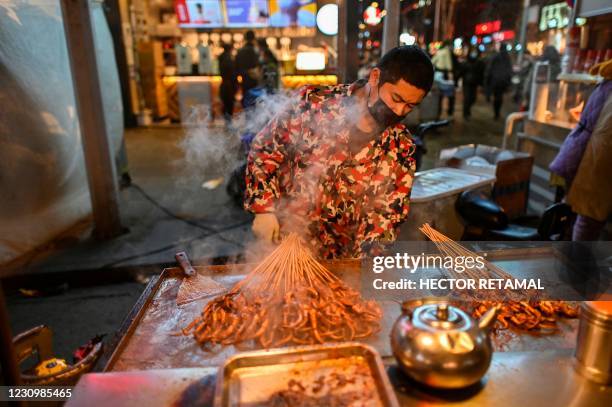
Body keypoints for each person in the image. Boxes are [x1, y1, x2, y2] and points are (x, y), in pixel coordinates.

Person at [244, 46, 434, 259]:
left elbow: (386, 215)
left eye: (410, 106)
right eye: (396, 99)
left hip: (343, 262)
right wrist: (264, 208)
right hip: (285, 247)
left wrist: (368, 265)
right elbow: (266, 148)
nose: (399, 111)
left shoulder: (401, 147)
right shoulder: (313, 103)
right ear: (375, 77)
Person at [550, 59, 612, 241]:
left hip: (584, 154)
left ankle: (566, 257)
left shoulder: (605, 84)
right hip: (598, 161)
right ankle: (574, 263)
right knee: (586, 218)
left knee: (577, 212)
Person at [485, 43, 513, 120]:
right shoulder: (507, 57)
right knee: (499, 96)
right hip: (503, 81)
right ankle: (497, 112)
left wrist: (487, 79)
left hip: (495, 80)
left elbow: (489, 69)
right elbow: (509, 70)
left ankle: (496, 113)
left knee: (496, 96)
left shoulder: (495, 57)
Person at [235, 30, 260, 106]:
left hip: (244, 80)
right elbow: (259, 65)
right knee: (254, 103)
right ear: (254, 38)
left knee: (246, 103)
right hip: (254, 80)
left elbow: (237, 66)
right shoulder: (256, 50)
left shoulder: (240, 51)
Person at [458, 47, 484, 119]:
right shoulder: (465, 63)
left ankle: (468, 110)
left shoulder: (479, 63)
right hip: (466, 83)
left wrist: (481, 84)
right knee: (467, 98)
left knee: (473, 99)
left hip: (474, 83)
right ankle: (465, 113)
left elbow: (481, 73)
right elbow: (460, 72)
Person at [431, 40, 455, 117]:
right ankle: (450, 112)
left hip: (437, 75)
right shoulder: (447, 51)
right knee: (450, 94)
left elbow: (432, 62)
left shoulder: (439, 51)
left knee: (439, 94)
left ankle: (438, 111)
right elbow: (449, 65)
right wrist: (451, 76)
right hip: (444, 75)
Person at [218, 43, 237, 124]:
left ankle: (227, 122)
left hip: (224, 84)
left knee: (225, 103)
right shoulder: (228, 59)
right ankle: (228, 122)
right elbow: (232, 73)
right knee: (229, 104)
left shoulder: (221, 57)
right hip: (229, 86)